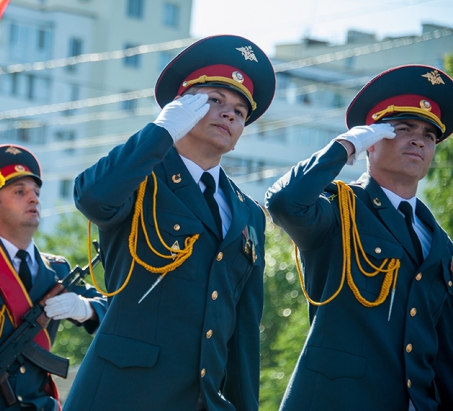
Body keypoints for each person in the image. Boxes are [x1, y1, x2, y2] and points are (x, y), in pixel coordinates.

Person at [64, 35, 276, 410]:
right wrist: (161, 132)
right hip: (123, 395)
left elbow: (243, 335)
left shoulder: (249, 214)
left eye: (240, 111)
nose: (230, 113)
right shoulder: (140, 177)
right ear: (183, 106)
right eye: (215, 100)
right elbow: (92, 197)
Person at [265, 64, 453, 410]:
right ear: (373, 139)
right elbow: (284, 202)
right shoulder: (341, 210)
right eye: (403, 128)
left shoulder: (439, 243)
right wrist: (347, 145)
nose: (418, 139)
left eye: (429, 135)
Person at [0, 144, 107, 411]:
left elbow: (111, 310)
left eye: (36, 192)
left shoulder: (57, 269)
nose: (34, 199)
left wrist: (86, 309)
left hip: (40, 404)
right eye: (20, 192)